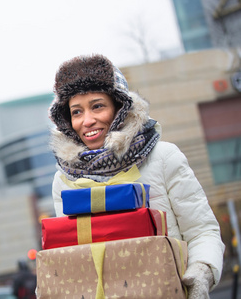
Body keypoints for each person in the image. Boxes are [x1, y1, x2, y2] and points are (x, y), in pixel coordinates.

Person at [48, 54, 225, 299]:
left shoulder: (164, 157)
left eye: (98, 106)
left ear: (119, 108)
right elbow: (74, 254)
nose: (87, 121)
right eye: (76, 112)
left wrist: (202, 270)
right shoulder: (63, 181)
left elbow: (202, 230)